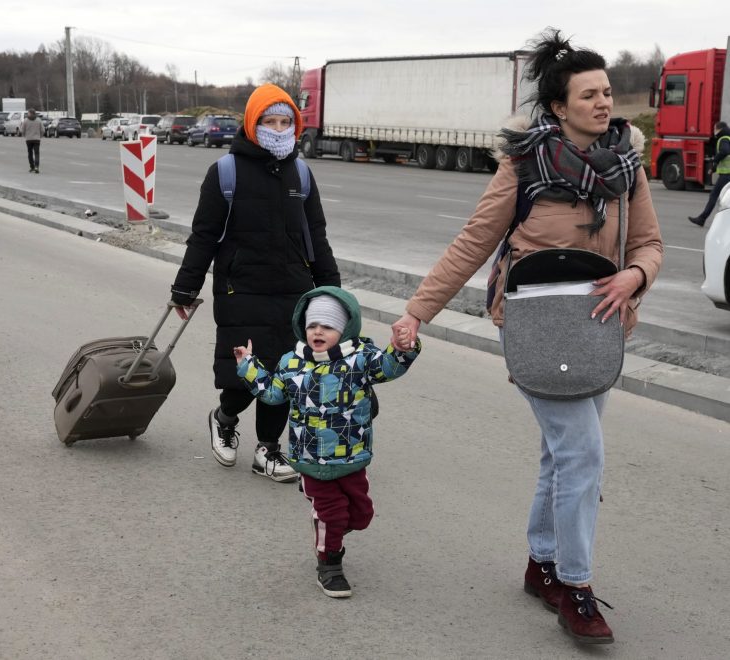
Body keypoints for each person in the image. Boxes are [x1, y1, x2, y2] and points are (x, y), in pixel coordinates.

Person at [390, 30, 663, 644]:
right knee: (583, 455)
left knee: (560, 455)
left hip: (601, 329)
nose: (603, 103)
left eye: (607, 92)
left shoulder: (626, 166)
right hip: (536, 330)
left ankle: (541, 564)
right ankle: (576, 586)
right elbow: (473, 241)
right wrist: (416, 313)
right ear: (560, 108)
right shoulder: (524, 164)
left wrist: (635, 274)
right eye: (588, 94)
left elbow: (649, 243)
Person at [170, 83, 340, 483]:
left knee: (287, 374)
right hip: (240, 289)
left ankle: (269, 449)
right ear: (252, 123)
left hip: (293, 290)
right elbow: (205, 235)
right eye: (269, 121)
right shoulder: (224, 173)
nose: (278, 129)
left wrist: (331, 290)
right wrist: (185, 286)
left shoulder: (301, 172)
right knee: (247, 375)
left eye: (285, 122)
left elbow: (315, 235)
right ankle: (225, 418)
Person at [234, 287, 421, 597]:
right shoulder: (291, 362)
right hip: (310, 459)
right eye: (312, 325)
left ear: (345, 328)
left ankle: (328, 527)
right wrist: (248, 367)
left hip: (352, 455)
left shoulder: (360, 360)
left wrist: (404, 347)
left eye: (328, 326)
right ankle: (329, 564)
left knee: (360, 516)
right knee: (332, 514)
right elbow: (272, 393)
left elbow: (390, 366)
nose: (318, 331)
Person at [688, 121, 730, 227]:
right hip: (726, 173)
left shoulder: (723, 139)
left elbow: (725, 151)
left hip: (727, 174)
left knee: (714, 195)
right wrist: (714, 168)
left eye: (715, 128)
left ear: (719, 129)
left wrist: (714, 160)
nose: (713, 131)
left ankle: (702, 219)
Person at [21, 108, 44, 173]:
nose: (27, 114)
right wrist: (40, 136)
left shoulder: (25, 121)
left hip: (28, 139)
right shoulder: (39, 120)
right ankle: (36, 167)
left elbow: (22, 130)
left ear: (30, 113)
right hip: (37, 139)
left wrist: (24, 135)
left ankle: (32, 166)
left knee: (30, 153)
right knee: (37, 153)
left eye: (28, 113)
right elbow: (42, 130)